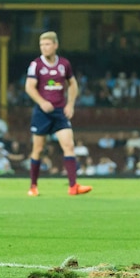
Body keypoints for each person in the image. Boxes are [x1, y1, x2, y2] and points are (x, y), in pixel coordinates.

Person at [24, 31, 92, 196]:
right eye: (42, 45)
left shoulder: (64, 64)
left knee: (69, 146)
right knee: (38, 149)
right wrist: (42, 102)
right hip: (42, 113)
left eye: (47, 44)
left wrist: (70, 104)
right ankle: (33, 186)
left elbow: (73, 84)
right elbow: (29, 87)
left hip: (60, 112)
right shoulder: (36, 65)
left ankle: (73, 186)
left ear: (55, 45)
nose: (44, 48)